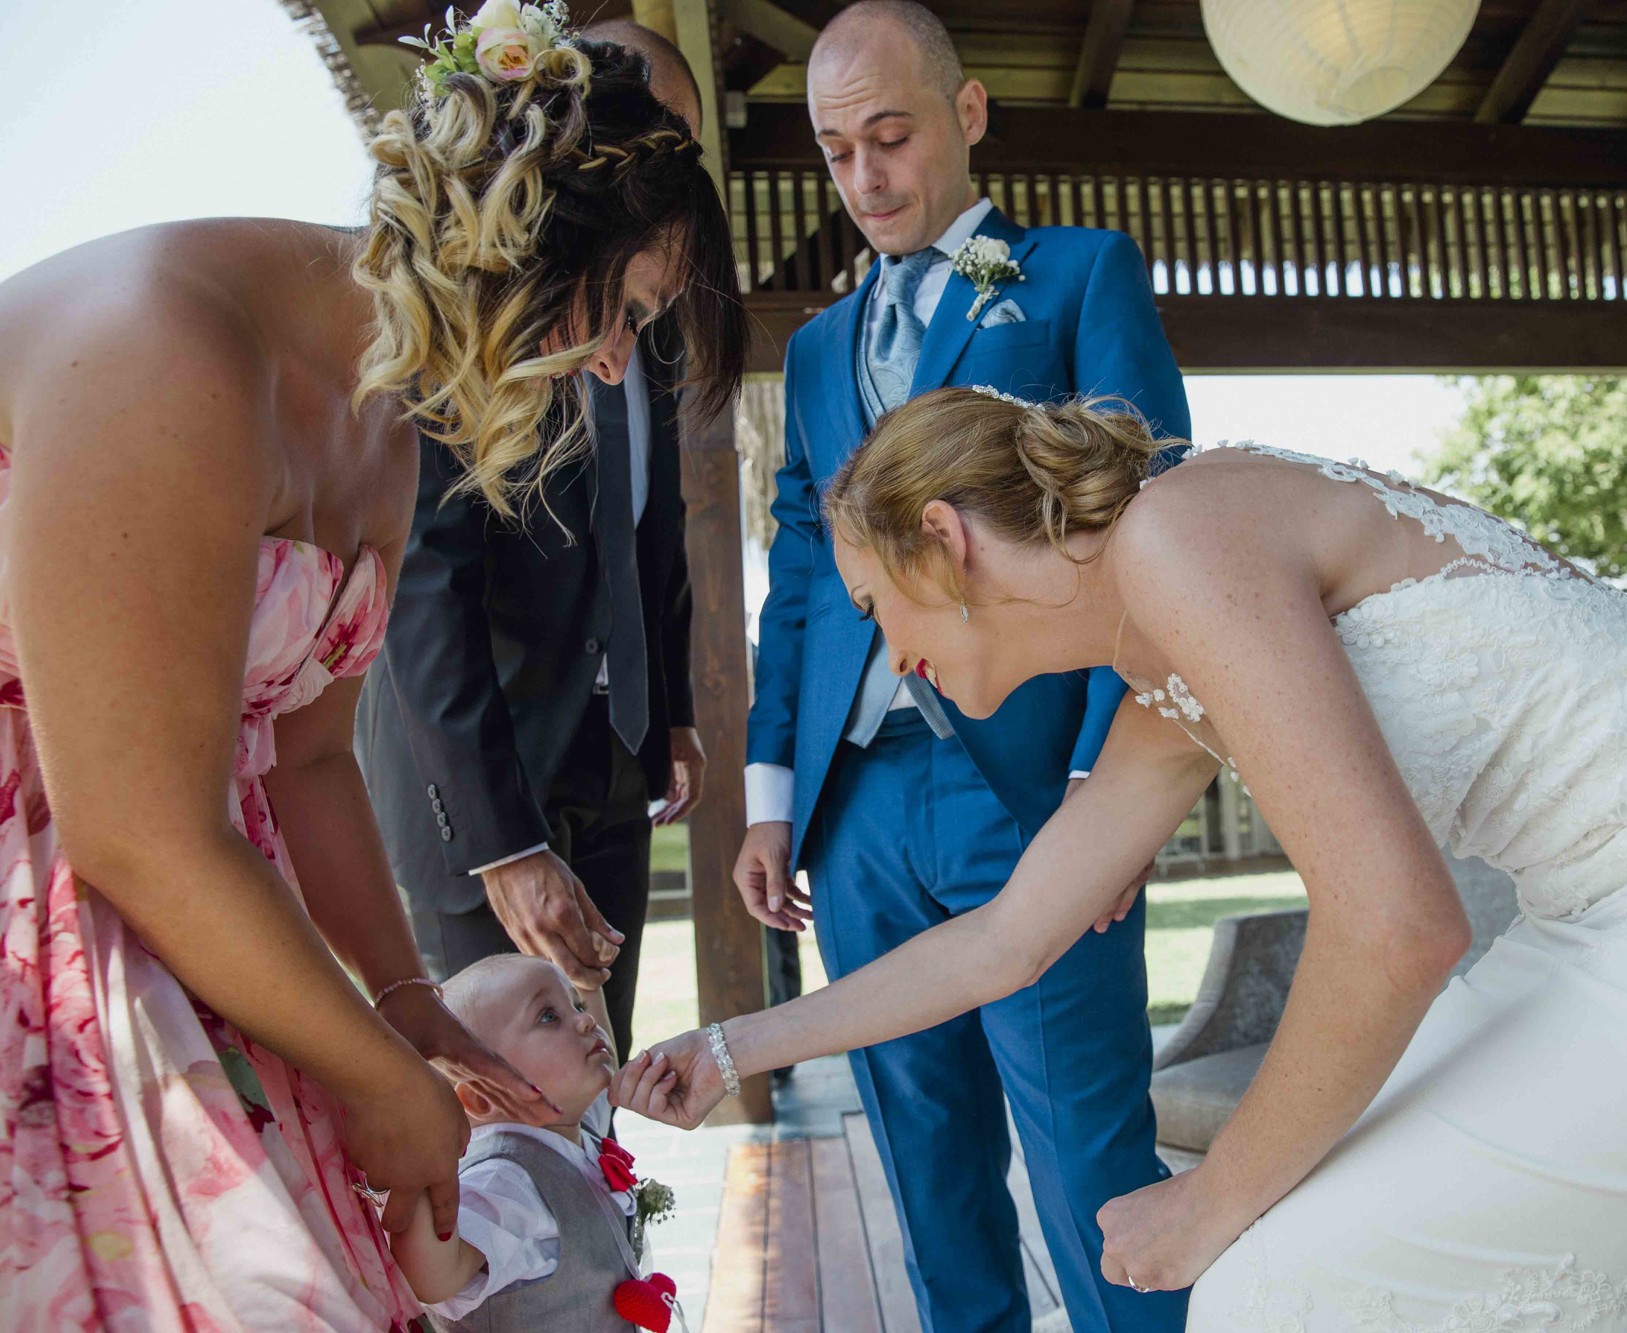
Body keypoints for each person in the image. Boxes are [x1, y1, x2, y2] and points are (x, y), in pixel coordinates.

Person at [630, 388, 1627, 1330]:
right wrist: (728, 1045)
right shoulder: (1160, 673)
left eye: (873, 608)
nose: (885, 656)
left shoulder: (1182, 533)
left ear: (944, 540)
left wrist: (1209, 1193)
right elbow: (1007, 939)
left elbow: (1398, 926)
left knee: (1263, 1280)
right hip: (1609, 920)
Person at [0, 6, 743, 1325]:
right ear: (524, 241)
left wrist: (412, 1013)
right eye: (622, 308)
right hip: (72, 924)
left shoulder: (388, 426)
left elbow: (312, 756)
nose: (616, 358)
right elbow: (129, 825)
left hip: (200, 912)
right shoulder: (166, 349)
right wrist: (379, 1080)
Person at [732, 4, 1191, 1330]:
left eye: (892, 136)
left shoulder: (1077, 275)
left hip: (1037, 778)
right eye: (837, 153)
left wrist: (1115, 784)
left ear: (968, 112)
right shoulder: (817, 351)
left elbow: (1146, 521)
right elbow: (806, 572)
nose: (868, 182)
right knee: (924, 1160)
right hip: (858, 803)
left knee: (1086, 1154)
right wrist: (774, 795)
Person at [358, 18, 713, 1065]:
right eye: (647, 143)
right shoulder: (446, 313)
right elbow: (425, 579)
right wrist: (501, 842)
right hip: (479, 768)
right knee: (495, 1107)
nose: (666, 179)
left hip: (613, 757)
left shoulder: (640, 319)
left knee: (592, 1080)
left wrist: (671, 711)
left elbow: (650, 525)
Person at [390, 954, 681, 1331]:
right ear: (482, 1098)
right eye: (548, 1016)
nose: (585, 1019)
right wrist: (416, 1151)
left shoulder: (572, 1128)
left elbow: (599, 1054)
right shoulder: (501, 1182)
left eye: (575, 1004)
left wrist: (584, 974)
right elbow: (434, 1279)